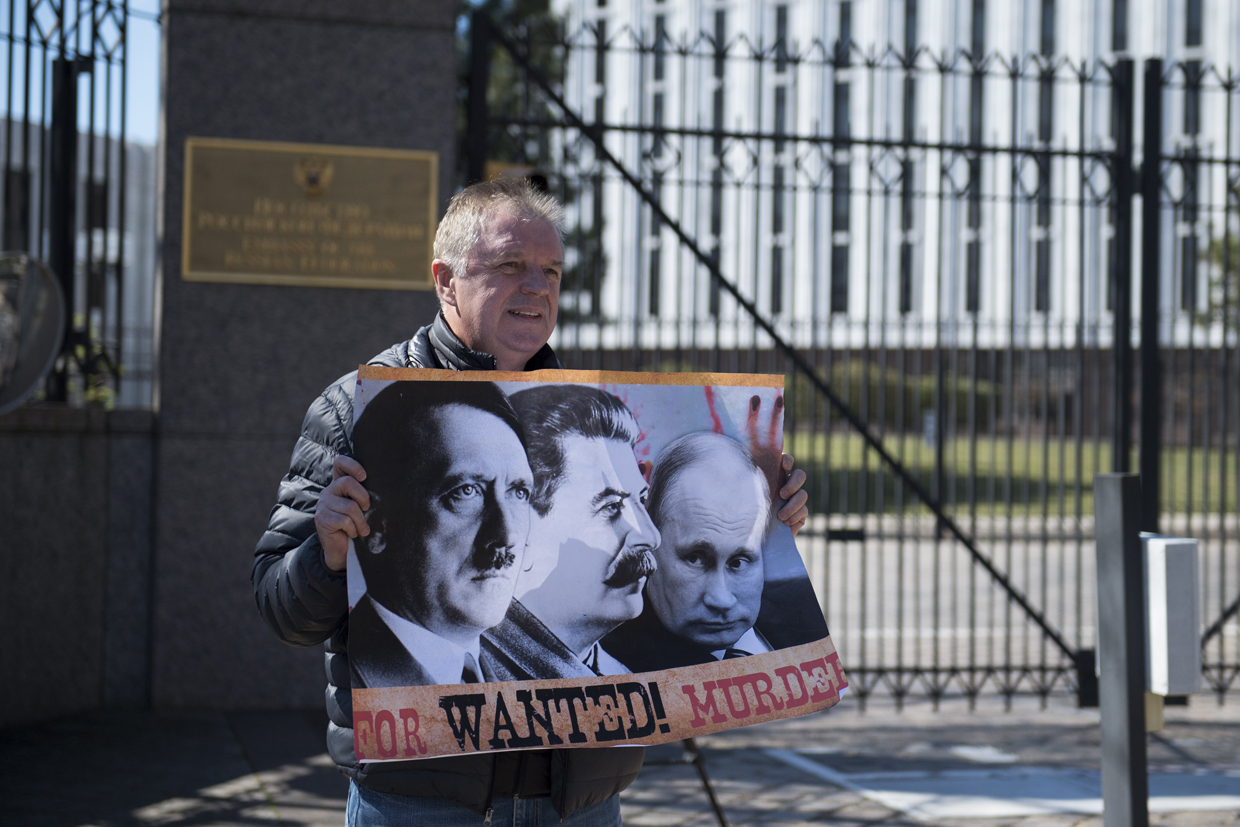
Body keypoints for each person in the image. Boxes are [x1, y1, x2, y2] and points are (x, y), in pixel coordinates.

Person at [252, 176, 809, 827]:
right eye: (511, 265)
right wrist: (327, 553)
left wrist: (768, 520)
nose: (537, 285)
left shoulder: (593, 414)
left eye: (550, 270)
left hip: (579, 800)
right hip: (423, 801)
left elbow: (662, 582)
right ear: (445, 279)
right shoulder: (355, 409)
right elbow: (281, 608)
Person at [346, 382, 533, 688]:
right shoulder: (353, 678)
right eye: (466, 492)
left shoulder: (530, 677)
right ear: (377, 525)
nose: (507, 536)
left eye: (519, 492)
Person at [602, 431, 824, 672]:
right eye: (695, 558)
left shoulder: (799, 615)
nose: (721, 599)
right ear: (647, 543)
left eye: (739, 562)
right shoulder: (604, 662)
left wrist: (782, 517)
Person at [482, 385, 660, 679]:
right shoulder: (469, 678)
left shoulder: (626, 679)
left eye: (641, 500)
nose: (651, 536)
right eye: (612, 507)